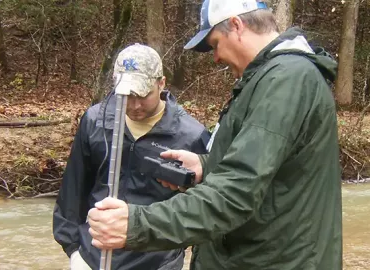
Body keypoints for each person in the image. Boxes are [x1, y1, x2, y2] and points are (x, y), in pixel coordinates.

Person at [87, 0, 343, 269]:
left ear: (236, 25)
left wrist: (136, 224)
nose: (215, 57)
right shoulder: (269, 79)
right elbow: (269, 171)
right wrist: (206, 167)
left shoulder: (287, 80)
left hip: (275, 260)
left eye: (215, 44)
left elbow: (235, 193)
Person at [53, 43, 211, 270]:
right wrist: (74, 251)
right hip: (93, 257)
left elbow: (202, 211)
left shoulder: (191, 135)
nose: (135, 105)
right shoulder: (96, 121)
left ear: (161, 83)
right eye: (128, 95)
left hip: (156, 262)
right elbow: (73, 191)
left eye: (144, 94)